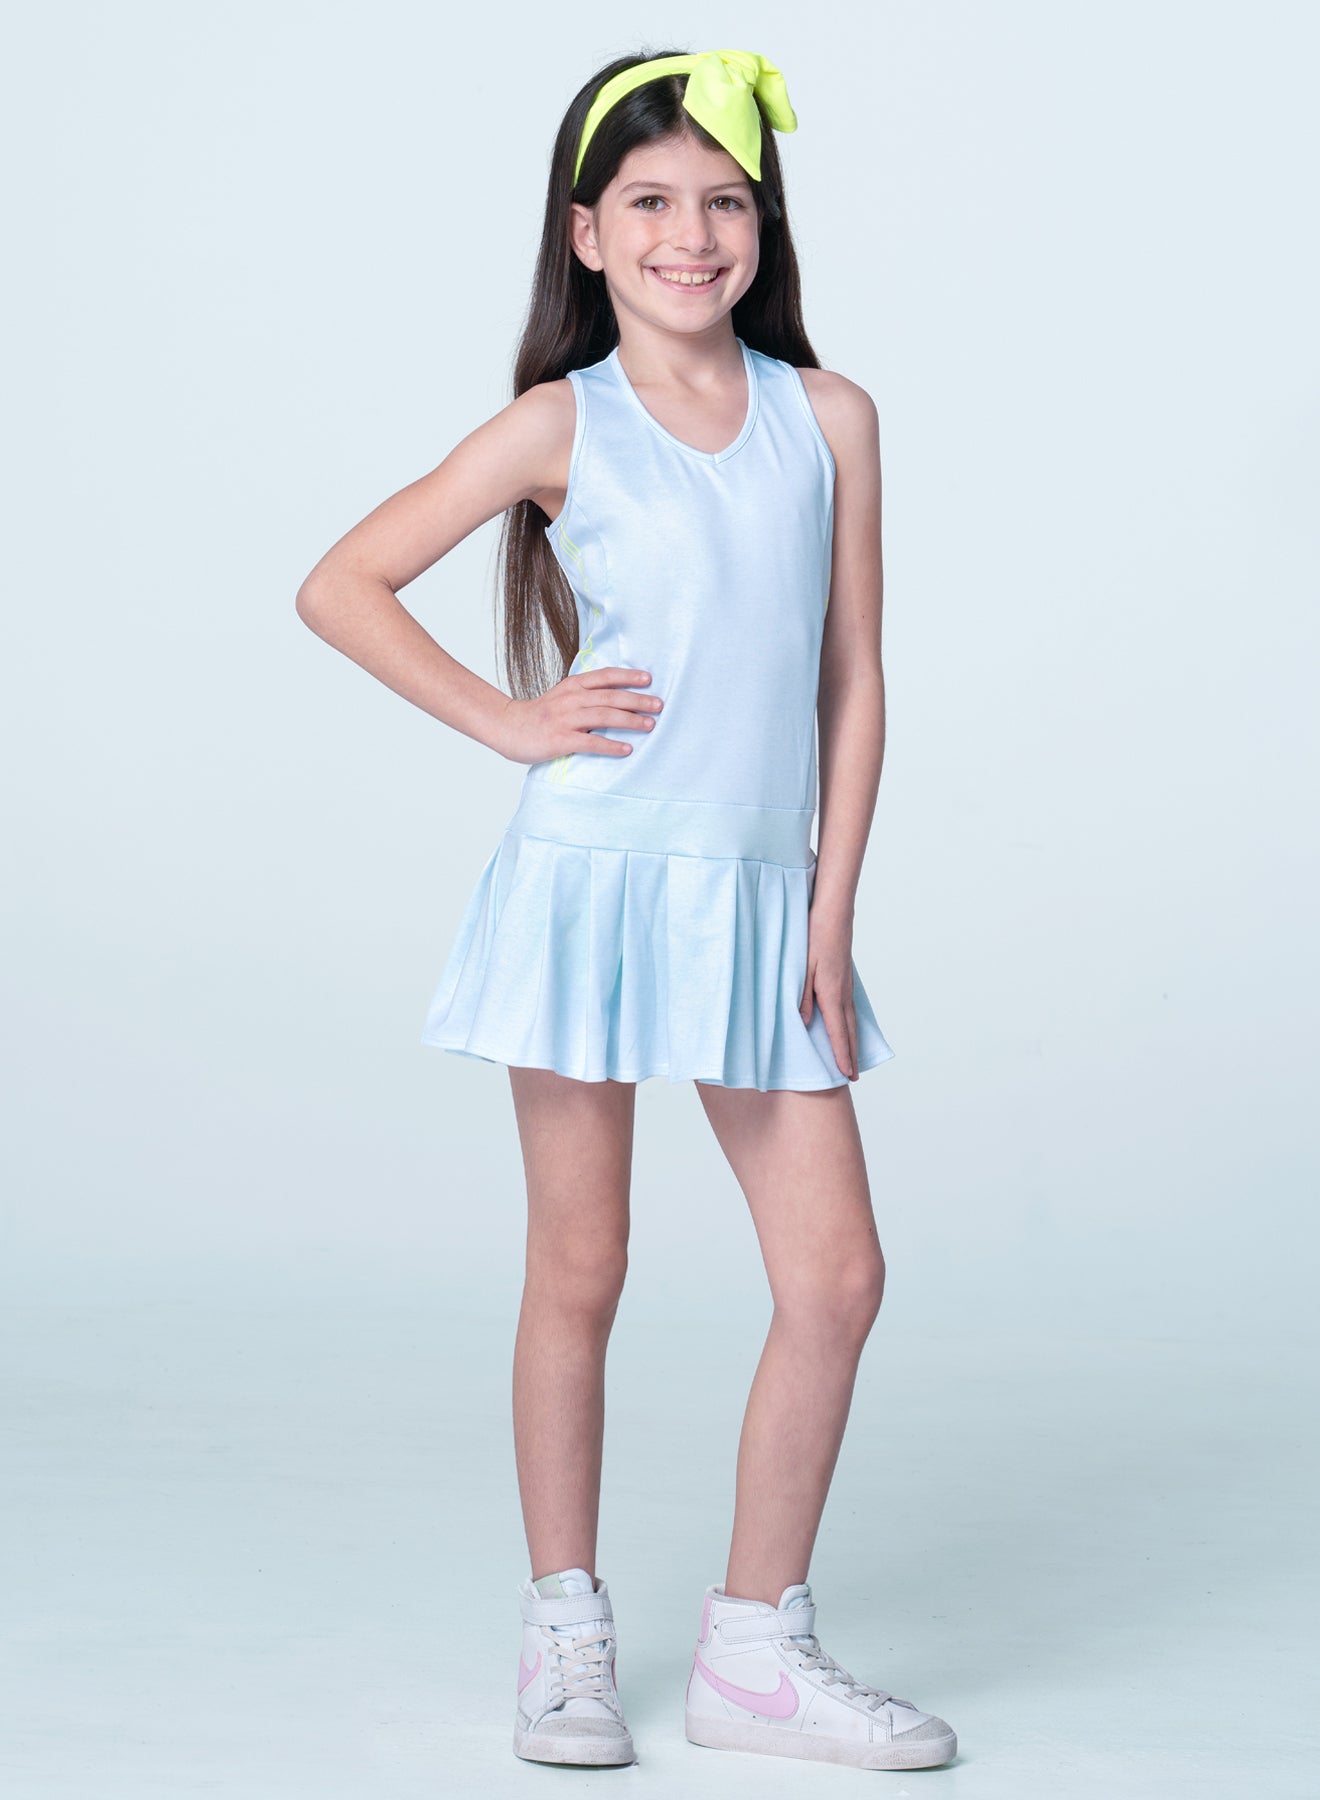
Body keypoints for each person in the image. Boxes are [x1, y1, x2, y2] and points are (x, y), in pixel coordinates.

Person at [296, 44, 956, 1777]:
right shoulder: (559, 424)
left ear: (764, 228)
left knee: (837, 1276)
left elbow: (856, 674)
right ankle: (566, 1629)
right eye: (651, 203)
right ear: (587, 233)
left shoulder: (830, 418)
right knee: (582, 1263)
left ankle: (756, 1651)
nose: (692, 235)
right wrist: (513, 722)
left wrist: (829, 911)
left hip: (759, 902)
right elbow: (341, 583)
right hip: (591, 884)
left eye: (725, 203)